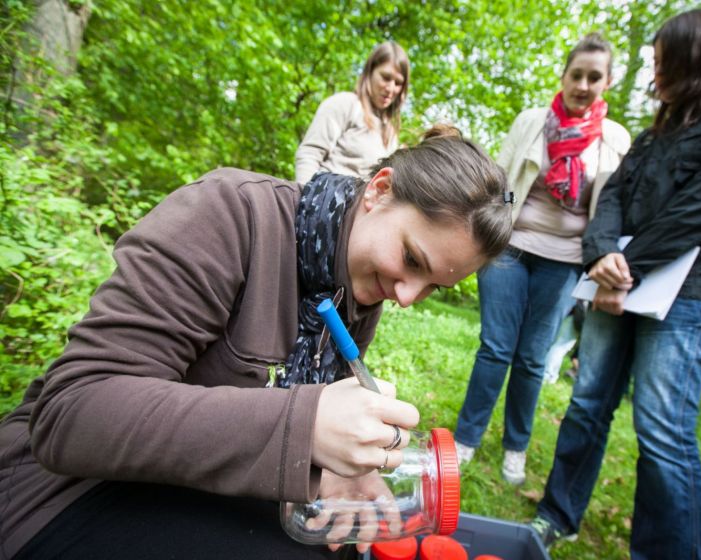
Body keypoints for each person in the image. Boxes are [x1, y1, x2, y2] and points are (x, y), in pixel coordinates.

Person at [0, 126, 513, 560]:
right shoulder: (232, 212)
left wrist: (328, 471)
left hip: (190, 490)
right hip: (57, 496)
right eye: (413, 260)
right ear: (379, 190)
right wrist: (302, 427)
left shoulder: (358, 286)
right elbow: (72, 414)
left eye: (432, 288)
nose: (406, 296)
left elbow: (276, 438)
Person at [529, 9, 701, 558]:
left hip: (686, 298)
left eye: (666, 63)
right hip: (613, 283)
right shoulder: (655, 131)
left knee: (662, 430)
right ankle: (555, 515)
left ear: (698, 60)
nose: (657, 73)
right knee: (586, 404)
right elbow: (612, 194)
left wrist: (629, 266)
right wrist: (601, 256)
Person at [453, 33, 630, 485]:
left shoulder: (614, 139)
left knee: (533, 358)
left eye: (595, 77)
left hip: (566, 259)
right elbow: (503, 179)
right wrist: (507, 213)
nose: (584, 85)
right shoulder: (532, 121)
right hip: (511, 247)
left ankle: (516, 446)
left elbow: (612, 207)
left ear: (606, 82)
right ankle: (467, 439)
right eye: (577, 75)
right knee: (496, 347)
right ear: (564, 75)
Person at [295, 41, 409, 184]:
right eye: (385, 77)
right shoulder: (346, 104)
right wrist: (306, 200)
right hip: (323, 199)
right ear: (370, 72)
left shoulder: (391, 134)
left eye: (398, 83)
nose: (391, 88)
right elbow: (309, 154)